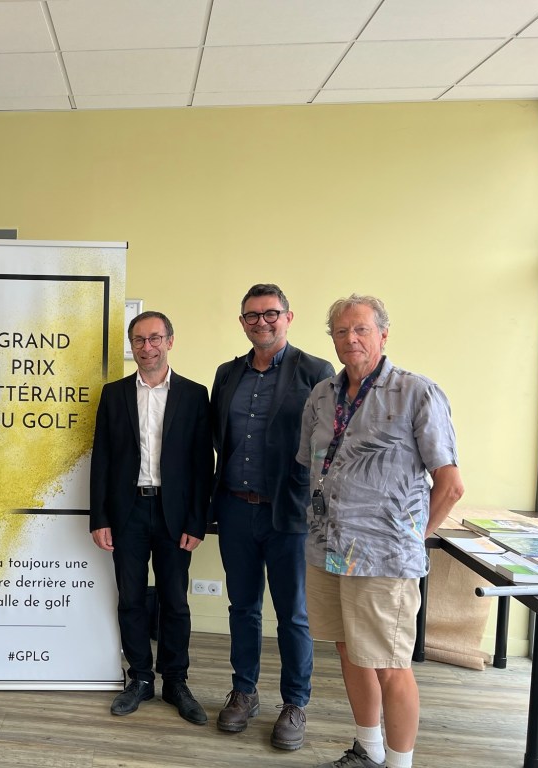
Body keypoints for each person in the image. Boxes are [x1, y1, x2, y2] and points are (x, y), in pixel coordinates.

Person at [298, 294, 464, 768]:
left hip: (383, 559)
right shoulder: (322, 395)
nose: (350, 338)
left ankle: (399, 763)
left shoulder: (417, 392)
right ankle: (367, 749)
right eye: (341, 331)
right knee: (349, 651)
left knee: (391, 664)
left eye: (361, 329)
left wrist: (411, 538)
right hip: (327, 549)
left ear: (383, 334)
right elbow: (312, 466)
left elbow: (450, 485)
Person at [208, 284, 334, 749]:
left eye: (270, 313)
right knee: (242, 607)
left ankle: (295, 703)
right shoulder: (227, 374)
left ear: (288, 317)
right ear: (242, 322)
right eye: (252, 315)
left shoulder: (316, 371)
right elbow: (216, 437)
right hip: (235, 509)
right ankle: (244, 692)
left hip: (289, 512)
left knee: (293, 614)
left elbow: (329, 444)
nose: (261, 322)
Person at [89, 310, 213, 725]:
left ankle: (175, 680)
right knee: (131, 598)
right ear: (132, 346)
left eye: (155, 338)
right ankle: (140, 678)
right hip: (127, 512)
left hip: (175, 514)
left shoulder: (194, 395)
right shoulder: (114, 394)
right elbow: (102, 459)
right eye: (139, 340)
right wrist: (99, 517)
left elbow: (203, 464)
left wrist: (197, 521)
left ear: (169, 341)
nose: (147, 347)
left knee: (175, 600)